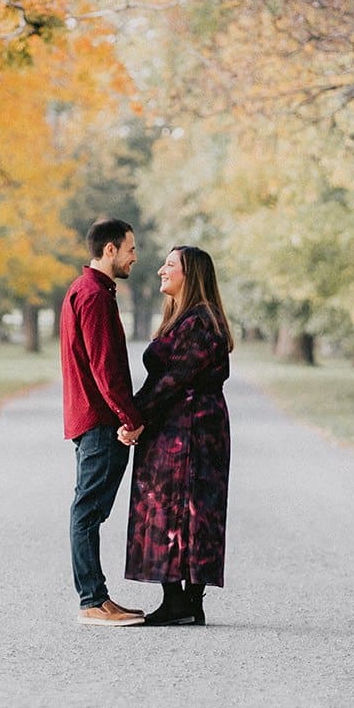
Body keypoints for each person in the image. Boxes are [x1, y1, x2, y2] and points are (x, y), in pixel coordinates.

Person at [122, 244, 233, 626]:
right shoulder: (184, 318)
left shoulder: (201, 321)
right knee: (178, 505)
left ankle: (182, 601)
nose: (161, 271)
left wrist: (134, 417)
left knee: (183, 506)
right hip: (178, 424)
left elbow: (173, 379)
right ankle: (183, 600)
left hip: (191, 428)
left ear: (191, 275)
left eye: (170, 265)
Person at [60, 218, 147, 626]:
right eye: (130, 248)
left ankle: (99, 597)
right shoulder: (94, 295)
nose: (135, 256)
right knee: (87, 511)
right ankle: (92, 601)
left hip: (94, 421)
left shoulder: (90, 291)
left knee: (90, 512)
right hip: (99, 423)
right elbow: (104, 367)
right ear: (109, 250)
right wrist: (129, 417)